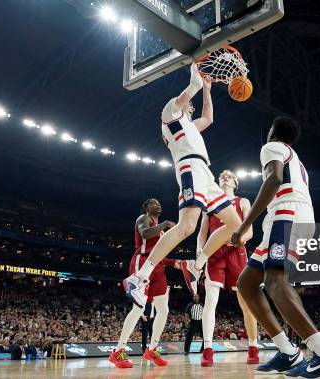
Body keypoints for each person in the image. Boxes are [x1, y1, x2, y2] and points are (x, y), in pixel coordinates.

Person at [232, 116, 320, 378]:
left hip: (288, 215)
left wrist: (243, 226)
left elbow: (273, 180)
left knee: (276, 282)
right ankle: (288, 352)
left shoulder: (271, 147)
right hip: (288, 216)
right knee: (247, 284)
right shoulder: (293, 156)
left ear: (273, 132)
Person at [125, 64, 242, 307]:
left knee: (235, 225)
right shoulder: (170, 113)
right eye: (188, 102)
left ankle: (195, 266)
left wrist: (208, 89)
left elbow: (208, 118)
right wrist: (196, 67)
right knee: (187, 227)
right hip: (189, 168)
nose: (191, 103)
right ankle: (139, 277)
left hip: (205, 174)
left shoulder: (189, 124)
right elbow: (192, 88)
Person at [109, 199, 182, 369]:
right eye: (153, 203)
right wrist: (164, 224)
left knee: (163, 309)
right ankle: (118, 351)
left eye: (159, 202)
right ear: (146, 207)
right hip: (142, 263)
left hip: (158, 267)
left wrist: (174, 263)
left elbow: (160, 253)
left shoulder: (160, 231)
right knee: (138, 309)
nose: (157, 204)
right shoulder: (143, 218)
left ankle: (153, 349)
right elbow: (145, 234)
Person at [196, 169, 259, 366]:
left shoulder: (243, 202)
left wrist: (241, 240)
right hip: (214, 252)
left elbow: (249, 230)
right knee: (210, 300)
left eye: (229, 176)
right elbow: (202, 232)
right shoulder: (210, 202)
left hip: (236, 252)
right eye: (222, 175)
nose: (224, 177)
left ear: (235, 183)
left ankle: (253, 346)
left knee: (246, 303)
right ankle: (207, 349)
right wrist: (200, 249)